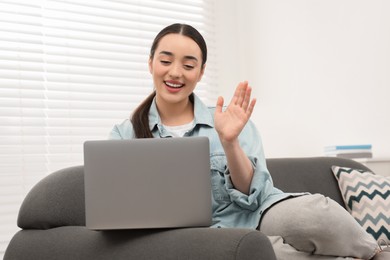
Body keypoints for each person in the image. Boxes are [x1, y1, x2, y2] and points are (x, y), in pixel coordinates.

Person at [109, 23, 388, 260]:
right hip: (198, 236)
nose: (175, 73)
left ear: (201, 72)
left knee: (315, 214)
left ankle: (377, 254)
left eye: (188, 64)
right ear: (150, 63)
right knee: (265, 252)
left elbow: (253, 193)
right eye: (166, 61)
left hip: (258, 213)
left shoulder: (230, 119)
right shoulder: (125, 134)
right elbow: (119, 207)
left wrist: (229, 141)